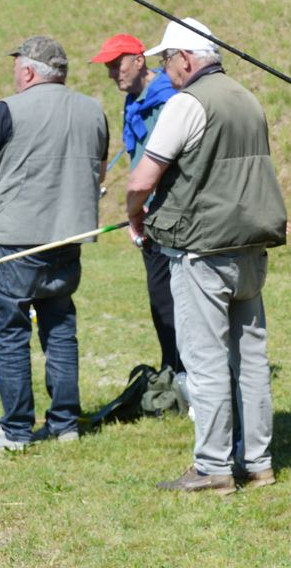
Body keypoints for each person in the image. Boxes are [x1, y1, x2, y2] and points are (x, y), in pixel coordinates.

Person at [126, 17, 287, 494]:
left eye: (166, 60)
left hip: (202, 249)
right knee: (251, 360)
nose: (164, 70)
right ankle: (258, 463)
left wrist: (135, 216)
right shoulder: (247, 98)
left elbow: (142, 179)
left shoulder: (187, 103)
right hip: (250, 246)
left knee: (206, 360)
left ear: (185, 58)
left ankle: (213, 467)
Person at [0, 36, 108, 450]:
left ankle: (15, 430)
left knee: (11, 335)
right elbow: (96, 175)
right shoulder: (94, 111)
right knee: (60, 330)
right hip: (67, 237)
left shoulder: (7, 110)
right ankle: (65, 425)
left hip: (14, 243)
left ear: (27, 71)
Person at [90, 33, 182, 378]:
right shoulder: (134, 100)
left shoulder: (168, 98)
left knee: (174, 301)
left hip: (173, 215)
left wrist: (139, 206)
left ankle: (185, 374)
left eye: (117, 65)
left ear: (139, 60)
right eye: (108, 68)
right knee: (160, 300)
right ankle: (172, 369)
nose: (112, 73)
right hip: (150, 214)